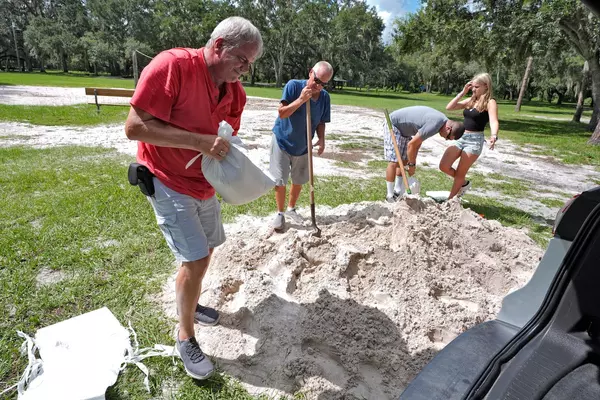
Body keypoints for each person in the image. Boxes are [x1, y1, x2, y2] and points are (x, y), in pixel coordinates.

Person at [124, 17, 263, 380]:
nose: (244, 70)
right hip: (167, 178)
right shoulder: (172, 66)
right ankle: (185, 336)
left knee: (206, 250)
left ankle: (190, 301)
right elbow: (135, 127)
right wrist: (200, 142)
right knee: (196, 257)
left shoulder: (236, 92)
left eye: (249, 64)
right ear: (218, 46)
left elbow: (226, 135)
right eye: (242, 60)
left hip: (203, 183)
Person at [269, 61, 333, 230]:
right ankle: (280, 214)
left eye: (323, 84)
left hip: (304, 144)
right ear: (311, 72)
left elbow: (321, 122)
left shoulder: (325, 97)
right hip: (282, 139)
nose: (318, 86)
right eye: (317, 81)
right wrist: (301, 100)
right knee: (280, 179)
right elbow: (282, 113)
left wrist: (321, 139)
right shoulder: (293, 86)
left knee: (298, 179)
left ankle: (291, 208)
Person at [383, 106, 465, 202]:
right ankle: (389, 196)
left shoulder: (440, 123)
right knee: (394, 161)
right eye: (447, 137)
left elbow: (417, 143)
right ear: (448, 128)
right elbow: (411, 145)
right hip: (394, 125)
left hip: (405, 131)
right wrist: (412, 165)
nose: (445, 139)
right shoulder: (435, 124)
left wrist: (412, 161)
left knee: (404, 160)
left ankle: (397, 191)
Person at [440, 73, 499, 199]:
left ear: (486, 86)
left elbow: (494, 120)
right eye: (472, 86)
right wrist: (463, 92)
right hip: (461, 137)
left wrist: (494, 135)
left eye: (476, 87)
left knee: (460, 173)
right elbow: (449, 107)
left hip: (475, 140)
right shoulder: (470, 101)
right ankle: (463, 183)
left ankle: (451, 202)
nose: (473, 89)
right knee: (444, 166)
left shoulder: (490, 102)